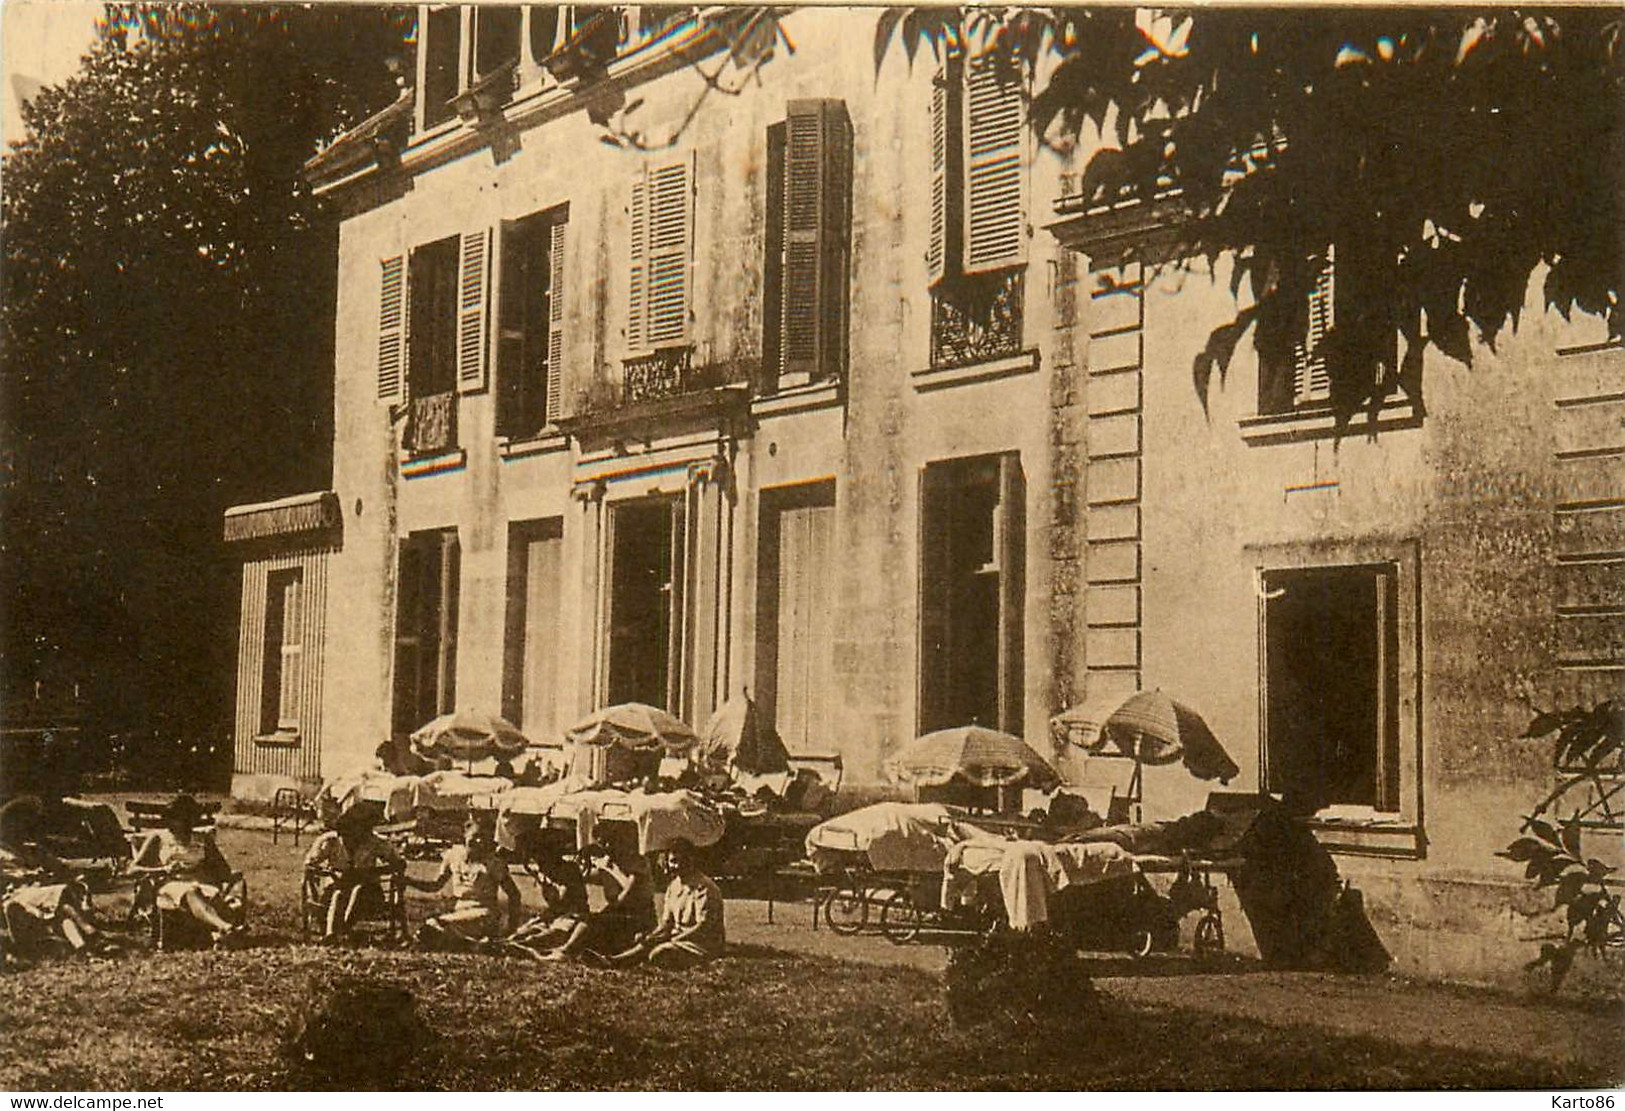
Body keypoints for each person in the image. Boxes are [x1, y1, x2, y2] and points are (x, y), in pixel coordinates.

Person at [0, 801, 113, 965]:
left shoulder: (33, 848)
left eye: (25, 824)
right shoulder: (2, 852)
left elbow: (62, 865)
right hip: (15, 895)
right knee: (61, 894)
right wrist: (25, 875)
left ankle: (83, 950)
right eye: (17, 824)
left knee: (61, 909)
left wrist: (94, 865)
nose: (22, 829)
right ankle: (90, 931)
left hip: (40, 893)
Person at [128, 795, 246, 947]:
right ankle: (226, 927)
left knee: (207, 891)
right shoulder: (158, 838)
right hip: (171, 884)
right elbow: (131, 870)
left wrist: (206, 869)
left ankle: (218, 934)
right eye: (177, 818)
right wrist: (163, 869)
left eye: (187, 819)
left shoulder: (202, 839)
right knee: (191, 891)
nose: (183, 824)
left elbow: (223, 869)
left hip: (201, 882)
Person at [409, 813, 521, 951]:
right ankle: (475, 944)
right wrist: (408, 881)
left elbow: (514, 894)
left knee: (434, 926)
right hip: (458, 912)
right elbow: (435, 885)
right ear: (465, 835)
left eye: (484, 838)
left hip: (483, 914)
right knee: (429, 931)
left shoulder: (494, 863)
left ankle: (477, 942)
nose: (479, 841)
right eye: (475, 836)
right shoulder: (453, 856)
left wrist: (512, 928)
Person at [611, 839, 724, 969]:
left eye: (682, 861)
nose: (676, 866)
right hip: (678, 939)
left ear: (691, 860)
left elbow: (703, 927)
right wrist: (652, 936)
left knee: (659, 953)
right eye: (673, 861)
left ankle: (620, 961)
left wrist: (673, 938)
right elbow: (666, 923)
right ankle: (614, 961)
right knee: (646, 942)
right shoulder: (673, 886)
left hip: (700, 944)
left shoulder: (705, 887)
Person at [303, 805, 406, 943]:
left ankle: (342, 929)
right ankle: (331, 934)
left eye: (361, 830)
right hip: (336, 887)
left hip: (369, 892)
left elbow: (399, 863)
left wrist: (373, 872)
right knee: (339, 894)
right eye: (349, 830)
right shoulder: (331, 841)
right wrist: (330, 873)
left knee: (359, 889)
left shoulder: (375, 842)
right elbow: (310, 864)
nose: (354, 835)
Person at [504, 833, 591, 959]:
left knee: (547, 934)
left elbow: (561, 900)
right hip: (554, 915)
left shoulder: (568, 869)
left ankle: (518, 946)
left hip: (573, 915)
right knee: (524, 931)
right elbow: (553, 906)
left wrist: (546, 884)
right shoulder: (544, 871)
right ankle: (513, 943)